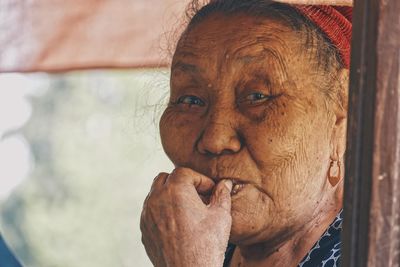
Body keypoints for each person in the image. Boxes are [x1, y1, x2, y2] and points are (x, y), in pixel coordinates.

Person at [140, 0, 352, 266]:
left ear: (343, 105)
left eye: (257, 96)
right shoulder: (206, 246)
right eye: (191, 100)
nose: (215, 140)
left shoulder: (378, 253)